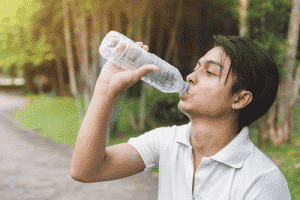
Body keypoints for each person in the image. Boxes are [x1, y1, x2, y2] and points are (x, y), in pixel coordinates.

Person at [70, 35, 291, 199]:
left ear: (240, 99)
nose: (191, 77)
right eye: (196, 68)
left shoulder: (262, 181)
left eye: (210, 72)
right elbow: (87, 170)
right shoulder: (168, 142)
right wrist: (105, 89)